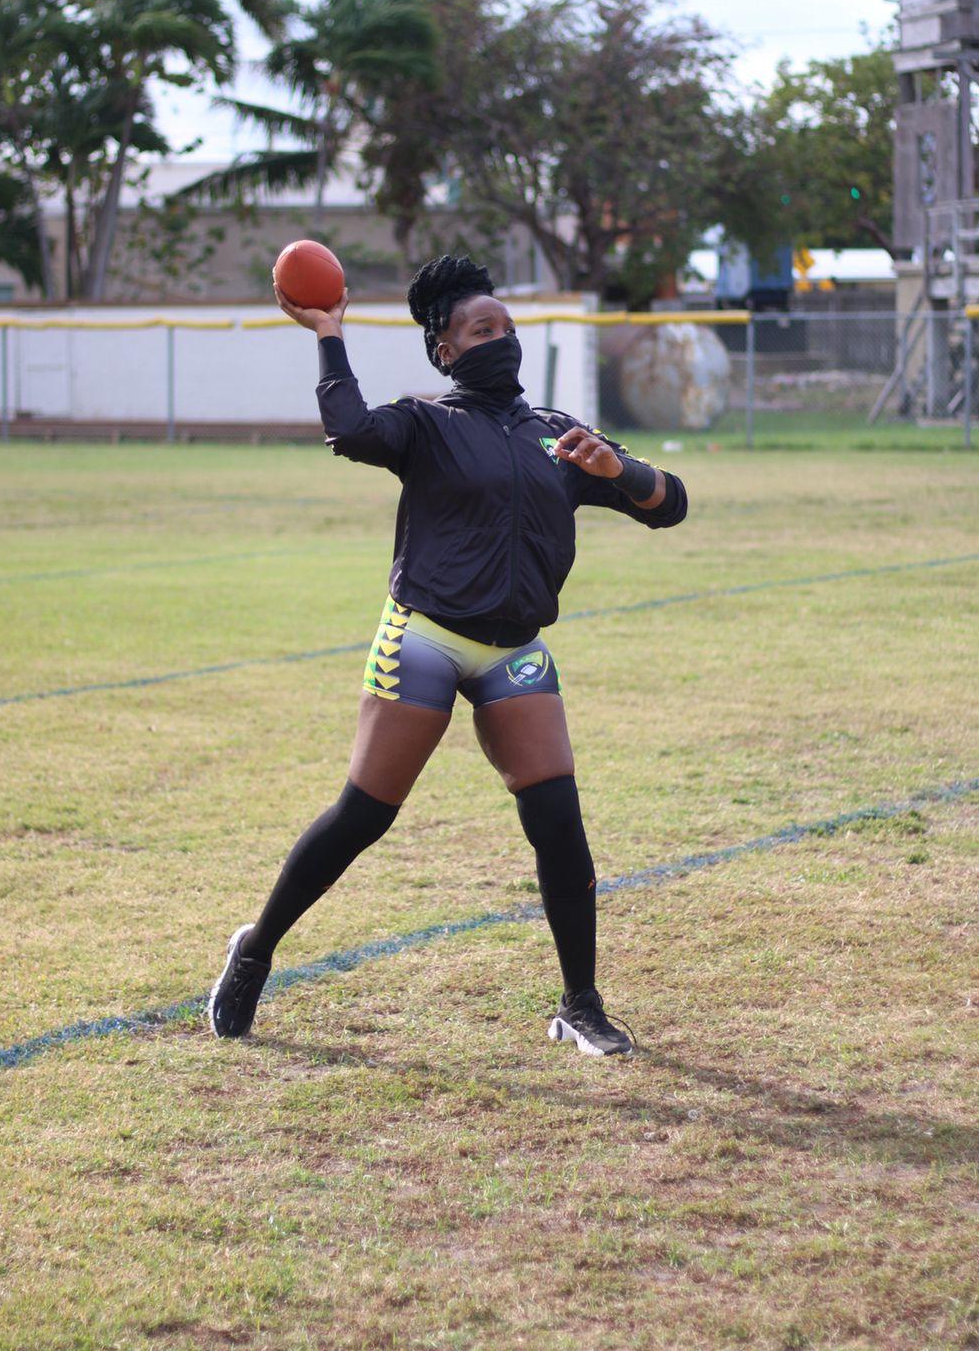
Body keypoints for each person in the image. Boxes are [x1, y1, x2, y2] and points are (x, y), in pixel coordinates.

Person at [209, 254, 687, 1057]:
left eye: (506, 325)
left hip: (516, 650)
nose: (501, 337)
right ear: (446, 351)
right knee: (365, 816)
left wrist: (620, 467)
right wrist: (329, 334)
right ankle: (254, 951)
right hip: (425, 634)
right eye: (481, 329)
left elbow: (669, 507)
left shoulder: (557, 435)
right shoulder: (428, 422)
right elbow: (351, 429)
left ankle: (580, 1003)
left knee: (560, 825)